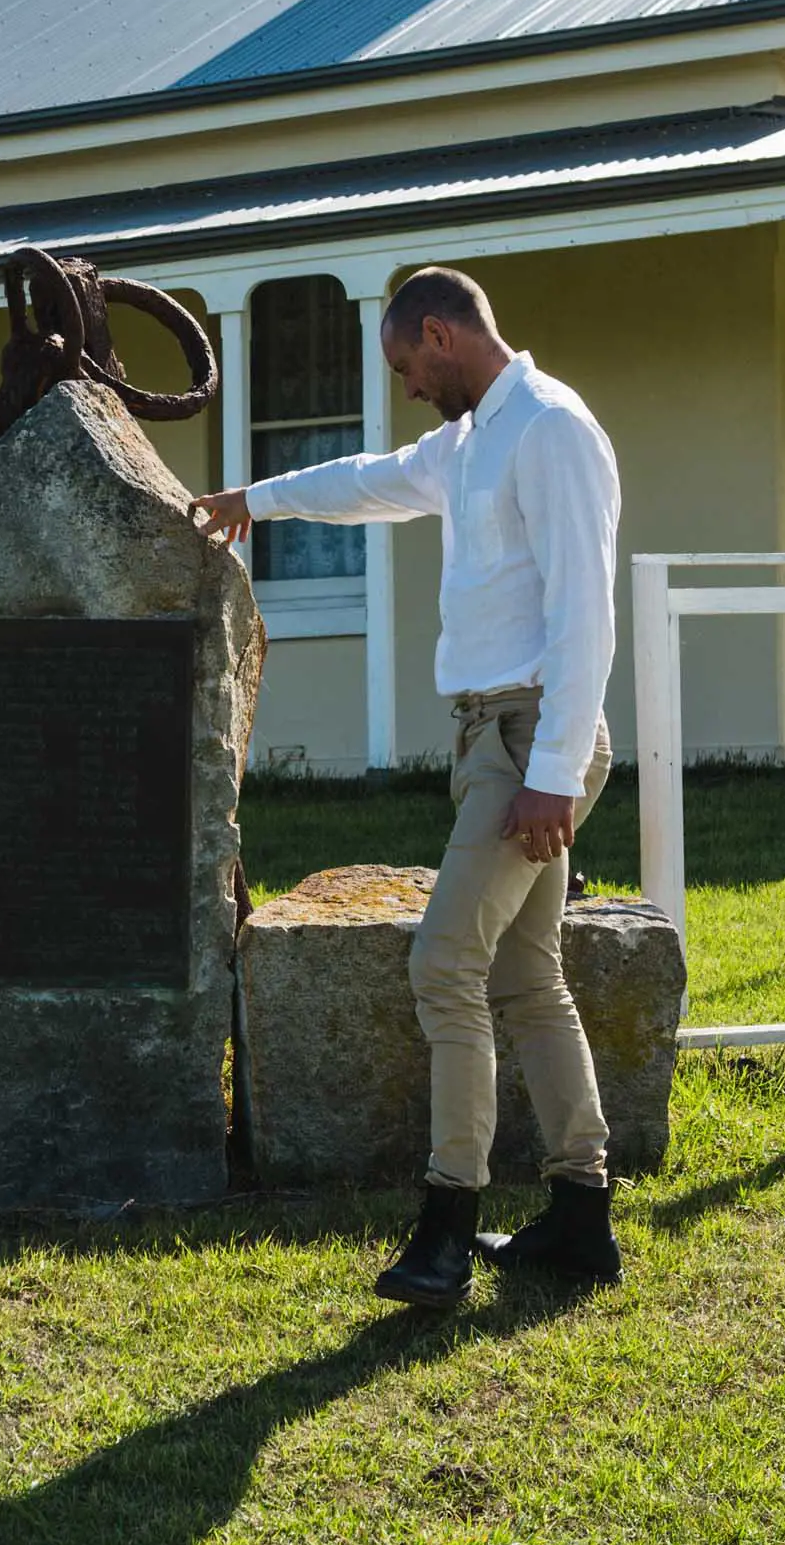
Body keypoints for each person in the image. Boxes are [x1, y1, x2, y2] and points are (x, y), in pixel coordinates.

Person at [189, 266, 623, 1306]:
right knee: (526, 978)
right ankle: (581, 1216)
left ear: (441, 333)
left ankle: (445, 1223)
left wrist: (553, 775)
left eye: (406, 367)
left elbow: (586, 615)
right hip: (492, 738)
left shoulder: (551, 428)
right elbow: (368, 479)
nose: (408, 387)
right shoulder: (470, 442)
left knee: (442, 962)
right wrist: (255, 499)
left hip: (531, 742)